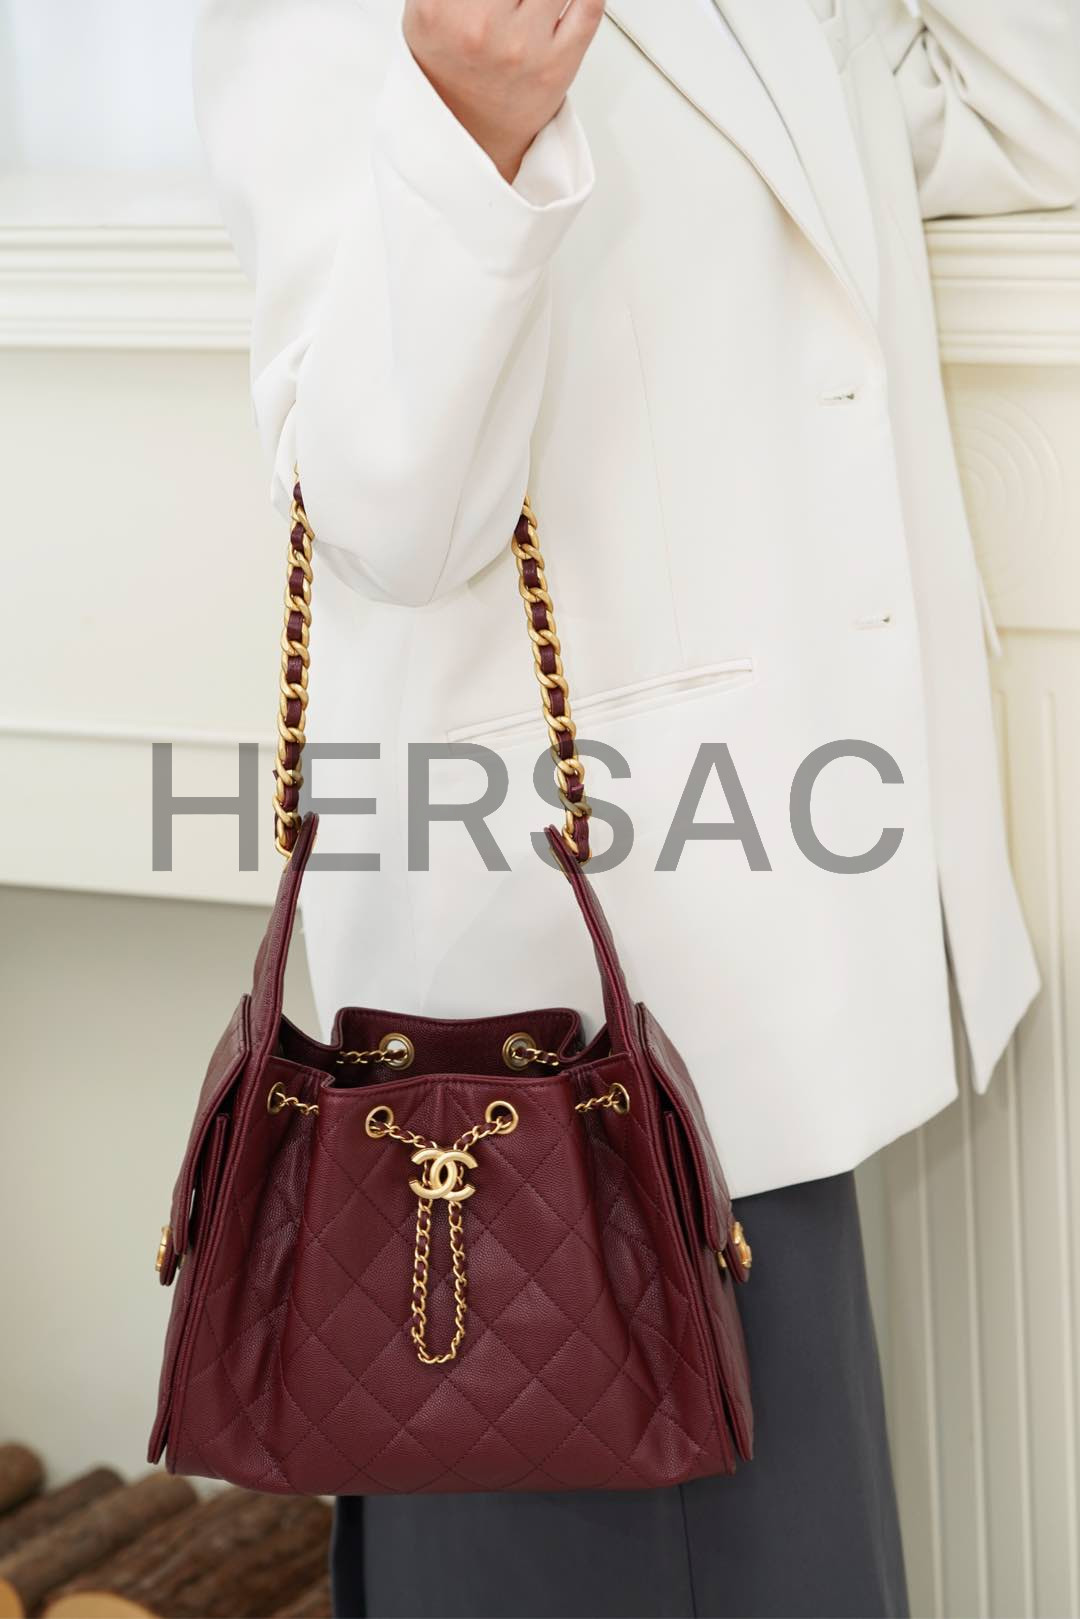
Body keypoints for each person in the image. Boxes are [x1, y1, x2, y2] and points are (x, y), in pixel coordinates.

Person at [192, 2, 1079, 1614]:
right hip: (546, 1074)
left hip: (757, 1021)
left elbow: (1037, 115)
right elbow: (384, 517)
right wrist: (468, 129)